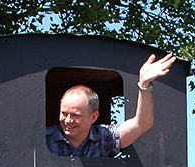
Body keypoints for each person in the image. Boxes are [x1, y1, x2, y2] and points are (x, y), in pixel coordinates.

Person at [46, 53, 177, 157]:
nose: (68, 120)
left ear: (93, 117)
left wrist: (144, 85)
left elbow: (142, 124)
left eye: (75, 115)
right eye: (64, 113)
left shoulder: (105, 137)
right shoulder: (45, 139)